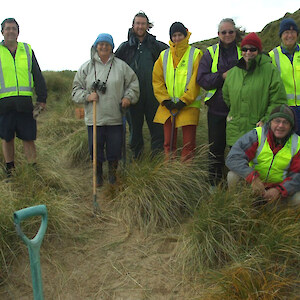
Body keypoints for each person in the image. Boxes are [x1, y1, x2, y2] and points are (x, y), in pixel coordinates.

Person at [72, 33, 139, 185]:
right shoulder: (86, 67)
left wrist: (128, 97)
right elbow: (75, 90)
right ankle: (98, 176)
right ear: (96, 46)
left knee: (114, 149)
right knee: (95, 150)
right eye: (101, 44)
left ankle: (113, 175)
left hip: (115, 117)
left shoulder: (121, 66)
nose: (103, 47)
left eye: (107, 45)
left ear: (112, 48)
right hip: (94, 118)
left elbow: (133, 84)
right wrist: (87, 96)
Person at [197, 18, 243, 187]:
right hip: (216, 110)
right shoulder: (210, 53)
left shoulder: (243, 51)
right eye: (224, 32)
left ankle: (236, 186)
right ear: (218, 34)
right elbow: (202, 79)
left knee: (237, 150)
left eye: (231, 31)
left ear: (235, 32)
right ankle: (214, 185)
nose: (227, 35)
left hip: (239, 111)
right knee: (215, 150)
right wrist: (222, 76)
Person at [115, 11, 168, 159]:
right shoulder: (125, 47)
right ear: (133, 25)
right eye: (137, 23)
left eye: (143, 23)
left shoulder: (156, 46)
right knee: (135, 131)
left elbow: (173, 56)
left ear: (148, 26)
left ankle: (157, 160)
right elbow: (113, 67)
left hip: (154, 96)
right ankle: (137, 159)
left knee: (158, 130)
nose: (140, 26)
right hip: (132, 97)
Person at [226, 104, 300, 205]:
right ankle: (236, 207)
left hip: (280, 191)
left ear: (291, 126)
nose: (280, 126)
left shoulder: (297, 143)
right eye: (277, 121)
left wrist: (279, 190)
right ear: (270, 122)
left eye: (285, 122)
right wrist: (252, 178)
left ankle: (281, 216)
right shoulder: (257, 135)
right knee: (232, 176)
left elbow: (297, 175)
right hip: (253, 185)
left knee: (298, 198)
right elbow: (233, 158)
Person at [0, 18, 47, 177]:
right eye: (8, 28)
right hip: (4, 104)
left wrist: (42, 97)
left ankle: (33, 170)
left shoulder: (26, 50)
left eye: (14, 28)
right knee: (7, 138)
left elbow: (37, 74)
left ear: (18, 32)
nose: (11, 31)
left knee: (28, 137)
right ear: (2, 32)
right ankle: (9, 171)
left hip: (25, 103)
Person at [223, 32, 287, 147]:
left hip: (259, 131)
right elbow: (226, 96)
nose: (248, 52)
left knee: (257, 164)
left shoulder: (270, 70)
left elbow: (278, 100)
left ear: (259, 51)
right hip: (235, 132)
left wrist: (266, 120)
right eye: (244, 49)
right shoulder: (233, 72)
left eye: (252, 49)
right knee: (236, 164)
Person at [152, 22, 202, 161]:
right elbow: (157, 80)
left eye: (180, 34)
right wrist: (165, 100)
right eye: (174, 35)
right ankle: (170, 170)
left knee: (188, 144)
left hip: (188, 106)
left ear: (185, 35)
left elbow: (196, 80)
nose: (177, 38)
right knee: (168, 143)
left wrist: (184, 100)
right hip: (168, 107)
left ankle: (185, 172)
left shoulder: (196, 54)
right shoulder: (164, 56)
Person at [269, 18, 300, 135]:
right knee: (287, 143)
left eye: (293, 32)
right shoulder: (272, 55)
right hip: (284, 109)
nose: (290, 36)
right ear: (281, 35)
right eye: (286, 32)